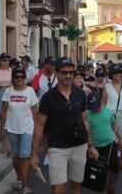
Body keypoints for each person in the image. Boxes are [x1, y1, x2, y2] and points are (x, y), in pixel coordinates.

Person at [30, 57, 99, 194]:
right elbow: (40, 126)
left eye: (70, 72)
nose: (68, 76)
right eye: (64, 72)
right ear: (56, 73)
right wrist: (34, 154)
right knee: (58, 188)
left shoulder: (80, 94)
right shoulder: (48, 97)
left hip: (79, 146)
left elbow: (84, 120)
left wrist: (90, 145)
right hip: (57, 148)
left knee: (76, 186)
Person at [0, 68, 38, 194]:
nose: (20, 79)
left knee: (25, 156)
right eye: (17, 77)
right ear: (13, 79)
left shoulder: (30, 91)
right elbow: (4, 111)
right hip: (12, 127)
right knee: (16, 155)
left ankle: (26, 186)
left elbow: (34, 112)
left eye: (22, 77)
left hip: (27, 127)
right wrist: (2, 129)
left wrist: (37, 130)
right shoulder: (8, 91)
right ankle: (19, 179)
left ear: (25, 78)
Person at [87, 92, 122, 194]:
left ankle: (110, 185)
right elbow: (87, 132)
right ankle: (97, 189)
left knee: (115, 170)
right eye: (93, 106)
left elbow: (114, 125)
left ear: (101, 101)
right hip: (95, 148)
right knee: (97, 173)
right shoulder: (87, 115)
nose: (96, 108)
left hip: (110, 145)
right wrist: (90, 147)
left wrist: (121, 138)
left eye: (97, 105)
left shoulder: (108, 111)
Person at [31, 56, 57, 166]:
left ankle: (55, 154)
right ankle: (46, 154)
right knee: (45, 133)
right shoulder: (38, 76)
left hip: (56, 107)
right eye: (49, 64)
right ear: (45, 65)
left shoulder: (57, 76)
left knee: (56, 132)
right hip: (43, 107)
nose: (51, 66)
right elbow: (33, 92)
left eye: (52, 64)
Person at [102, 63, 122, 143]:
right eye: (114, 72)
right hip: (110, 117)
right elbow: (103, 103)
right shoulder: (107, 87)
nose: (117, 74)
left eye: (119, 72)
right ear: (111, 74)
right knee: (111, 141)